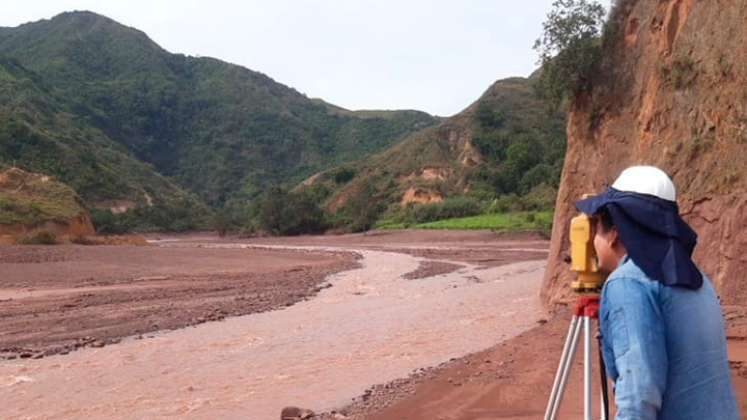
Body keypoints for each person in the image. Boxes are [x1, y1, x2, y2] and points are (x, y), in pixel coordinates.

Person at [575, 166, 740, 420]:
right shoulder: (697, 280)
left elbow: (638, 396)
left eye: (597, 229)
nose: (593, 241)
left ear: (614, 234)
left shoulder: (628, 283)